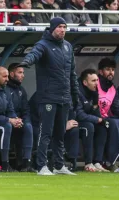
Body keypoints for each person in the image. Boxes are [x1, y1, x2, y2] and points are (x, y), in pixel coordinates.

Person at [19, 17, 79, 175]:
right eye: (59, 26)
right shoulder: (43, 44)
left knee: (60, 133)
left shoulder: (68, 46)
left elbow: (72, 73)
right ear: (52, 28)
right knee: (46, 132)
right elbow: (34, 54)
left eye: (64, 27)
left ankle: (59, 165)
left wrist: (75, 95)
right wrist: (27, 61)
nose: (62, 30)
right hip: (48, 96)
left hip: (64, 97)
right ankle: (41, 166)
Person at [6, 63, 34, 172]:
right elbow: (7, 107)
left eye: (23, 73)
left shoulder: (21, 89)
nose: (23, 75)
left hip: (20, 120)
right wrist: (14, 119)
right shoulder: (5, 88)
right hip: (9, 119)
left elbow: (26, 109)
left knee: (28, 126)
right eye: (20, 72)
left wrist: (25, 120)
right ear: (11, 74)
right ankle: (6, 163)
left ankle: (26, 162)